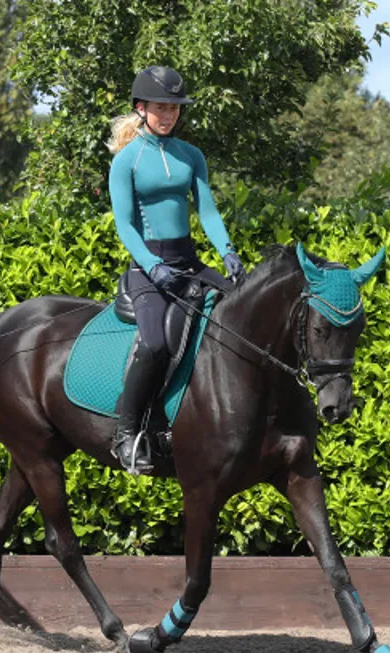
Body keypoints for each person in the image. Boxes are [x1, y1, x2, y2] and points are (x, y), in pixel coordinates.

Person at [107, 65, 246, 474]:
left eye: (174, 108)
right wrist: (152, 266)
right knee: (154, 344)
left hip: (188, 263)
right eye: (161, 107)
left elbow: (207, 210)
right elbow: (125, 226)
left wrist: (228, 253)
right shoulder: (126, 161)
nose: (169, 115)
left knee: (242, 313)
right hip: (147, 268)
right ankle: (127, 434)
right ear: (141, 108)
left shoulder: (191, 156)